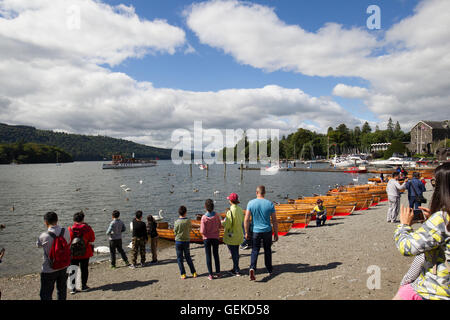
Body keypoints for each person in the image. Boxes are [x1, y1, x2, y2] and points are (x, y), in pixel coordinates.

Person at [393, 162, 450, 300]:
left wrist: (404, 225)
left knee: (404, 291)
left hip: (437, 290)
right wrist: (432, 221)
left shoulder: (442, 219)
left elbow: (406, 247)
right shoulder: (443, 219)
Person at [244, 185, 279, 281]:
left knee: (255, 250)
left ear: (256, 192)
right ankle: (269, 268)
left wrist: (246, 232)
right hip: (267, 230)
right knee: (267, 249)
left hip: (256, 231)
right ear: (264, 193)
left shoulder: (251, 203)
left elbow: (246, 219)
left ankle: (252, 268)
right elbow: (274, 220)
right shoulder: (269, 204)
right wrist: (276, 233)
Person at [37, 212, 71, 300]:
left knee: (46, 294)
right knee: (62, 290)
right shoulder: (65, 231)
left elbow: (38, 245)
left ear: (45, 222)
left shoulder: (43, 236)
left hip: (49, 268)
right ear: (57, 220)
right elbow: (68, 242)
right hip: (64, 266)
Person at [68, 211, 95, 294]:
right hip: (85, 252)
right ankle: (83, 286)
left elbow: (67, 241)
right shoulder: (88, 228)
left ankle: (73, 288)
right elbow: (92, 239)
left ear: (74, 220)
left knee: (73, 269)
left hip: (73, 253)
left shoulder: (70, 229)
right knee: (84, 269)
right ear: (83, 219)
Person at [222, 193, 245, 276]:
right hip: (239, 234)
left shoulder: (230, 212)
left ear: (231, 201)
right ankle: (236, 268)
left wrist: (222, 223)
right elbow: (242, 220)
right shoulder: (240, 210)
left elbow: (228, 225)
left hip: (232, 235)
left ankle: (236, 269)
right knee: (236, 252)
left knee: (233, 253)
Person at [200, 199, 222, 280]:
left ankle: (210, 274)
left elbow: (202, 231)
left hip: (207, 238)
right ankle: (218, 272)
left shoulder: (204, 218)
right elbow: (220, 226)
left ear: (205, 207)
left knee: (208, 256)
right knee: (216, 255)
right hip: (215, 237)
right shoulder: (216, 215)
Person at [174, 206, 197, 279]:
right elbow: (190, 229)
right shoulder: (188, 221)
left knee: (179, 258)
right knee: (188, 257)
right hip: (186, 241)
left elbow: (175, 232)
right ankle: (193, 272)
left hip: (178, 241)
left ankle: (183, 274)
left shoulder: (176, 222)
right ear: (185, 212)